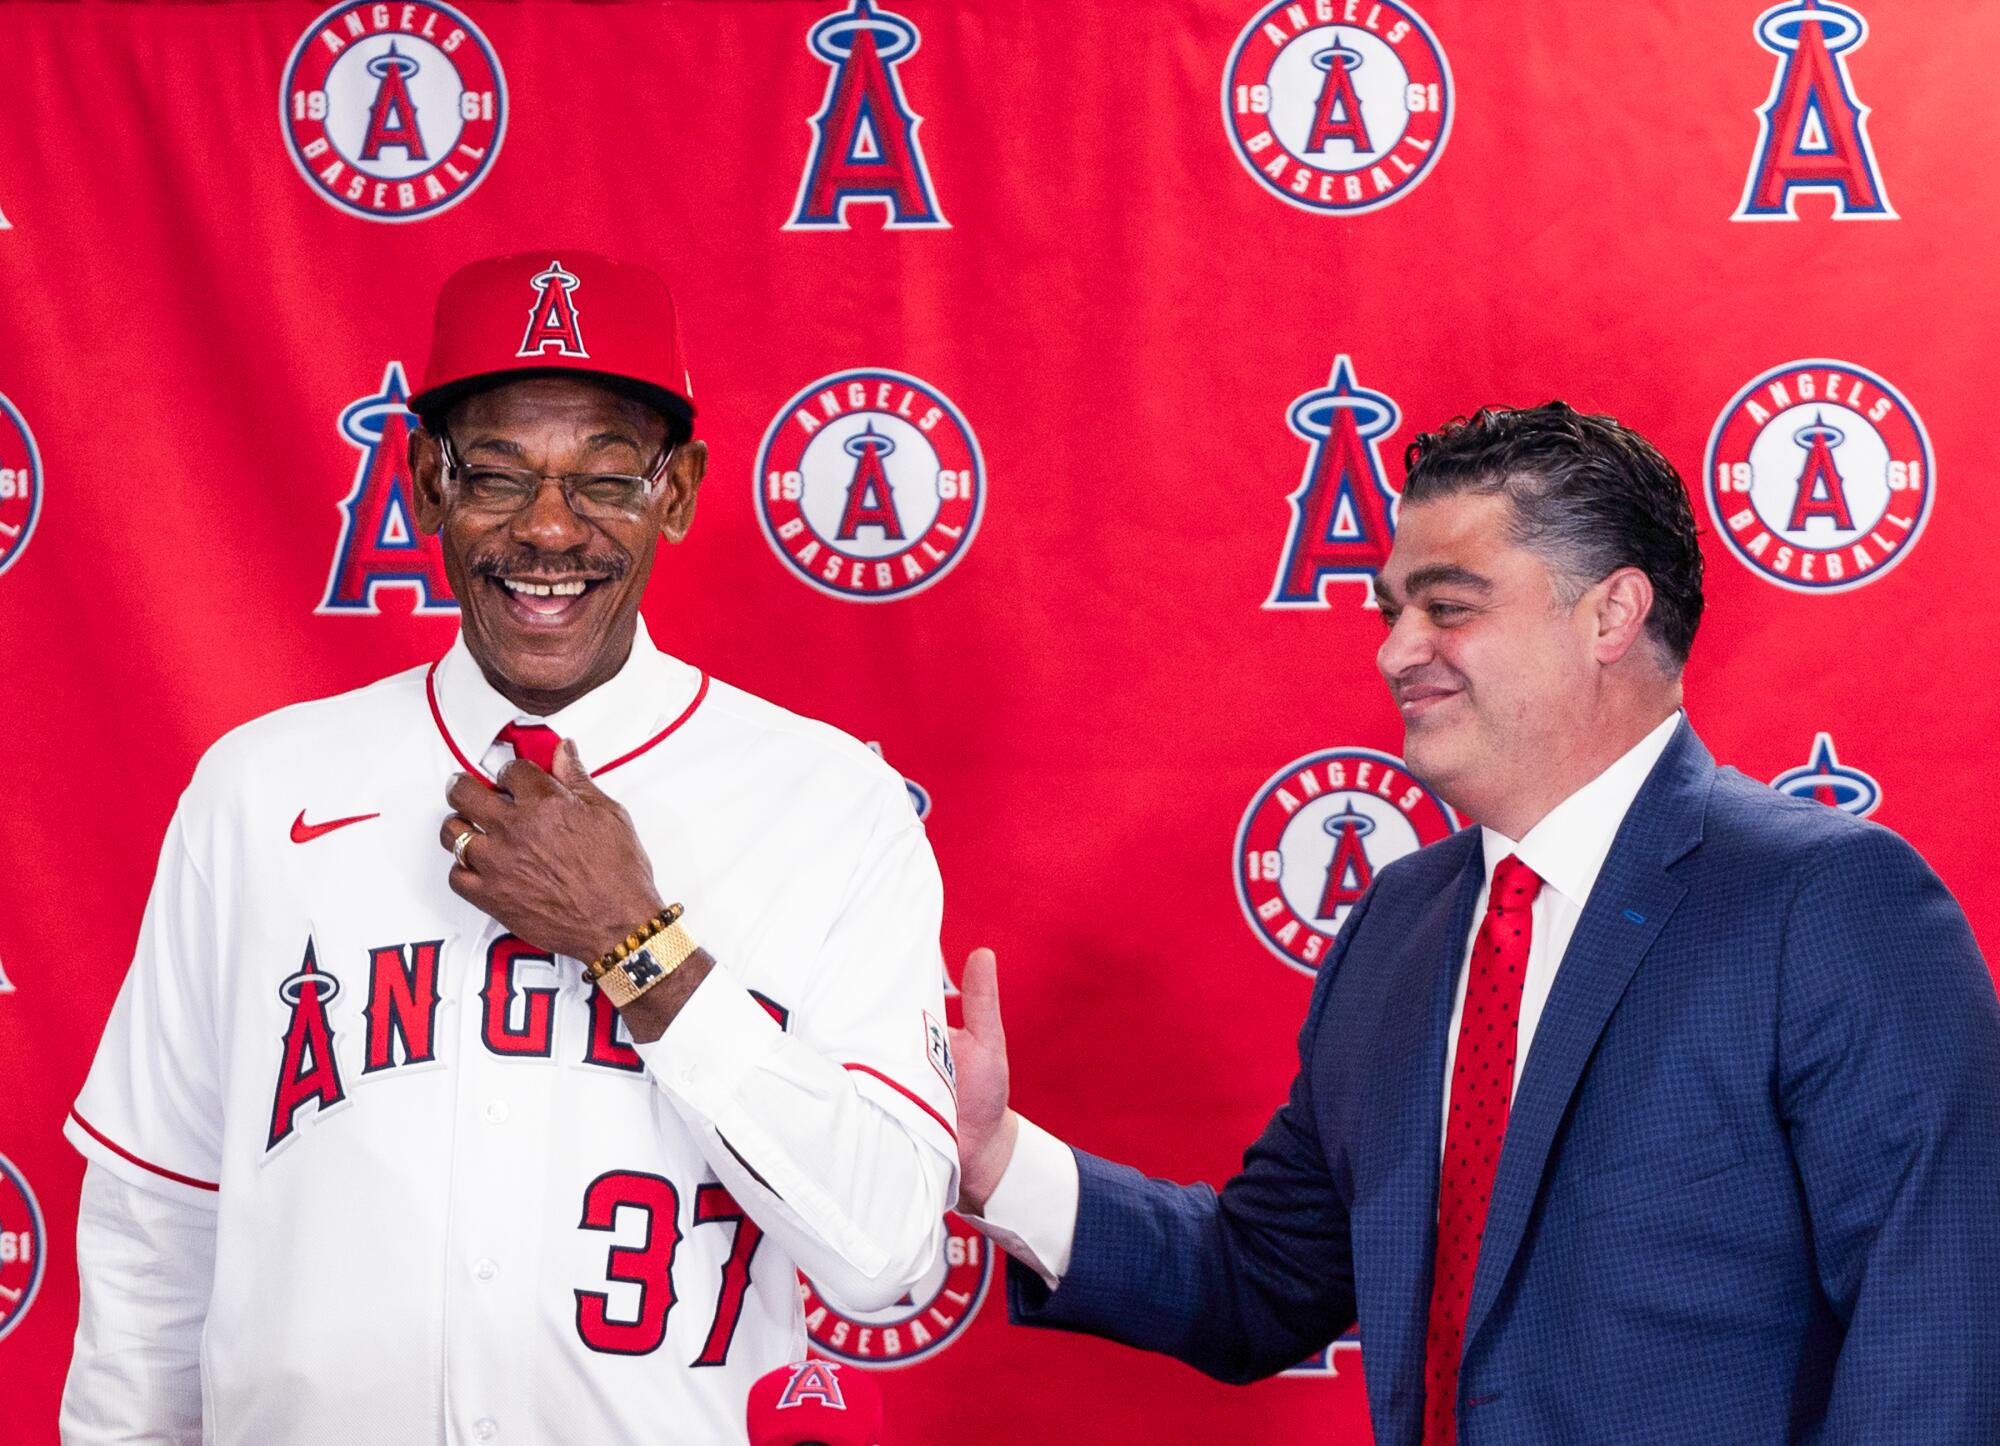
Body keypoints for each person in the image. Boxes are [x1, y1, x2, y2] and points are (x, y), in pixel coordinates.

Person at [952, 402, 2000, 1443]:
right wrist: (996, 1157)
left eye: (1446, 606)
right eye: (1389, 612)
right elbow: (1260, 1279)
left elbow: (1936, 1334)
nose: (1394, 651)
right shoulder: (1395, 929)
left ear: (1609, 614)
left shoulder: (1822, 904)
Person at [60, 251, 959, 1445]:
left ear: (679, 493)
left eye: (604, 478)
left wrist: (638, 945)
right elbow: (152, 1231)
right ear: (425, 490)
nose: (547, 529)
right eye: (494, 472)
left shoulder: (829, 803)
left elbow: (884, 1253)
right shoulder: (258, 788)